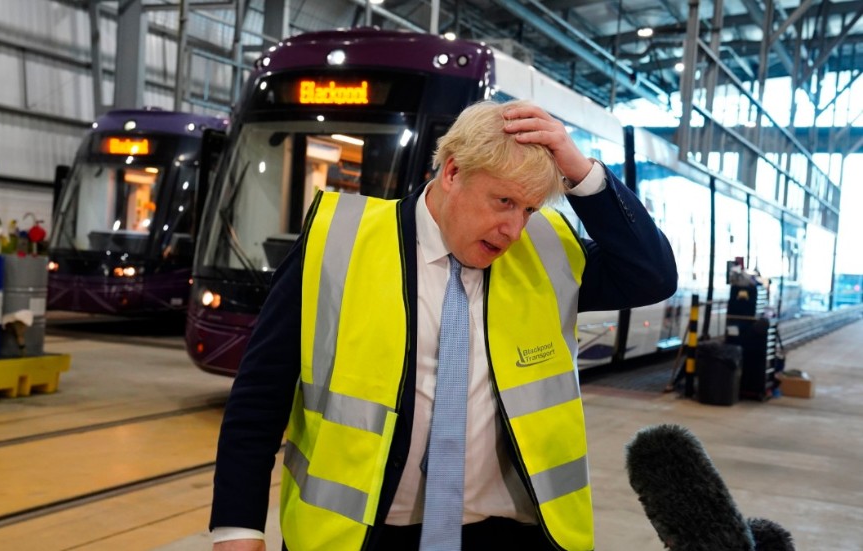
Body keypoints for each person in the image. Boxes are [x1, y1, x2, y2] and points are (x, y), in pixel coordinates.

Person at [209, 99, 678, 551]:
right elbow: (260, 393)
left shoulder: (547, 250)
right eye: (503, 201)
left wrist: (581, 171)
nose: (514, 230)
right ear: (452, 172)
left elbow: (651, 277)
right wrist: (237, 525)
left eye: (529, 209)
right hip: (361, 535)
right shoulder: (339, 243)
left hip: (507, 534)